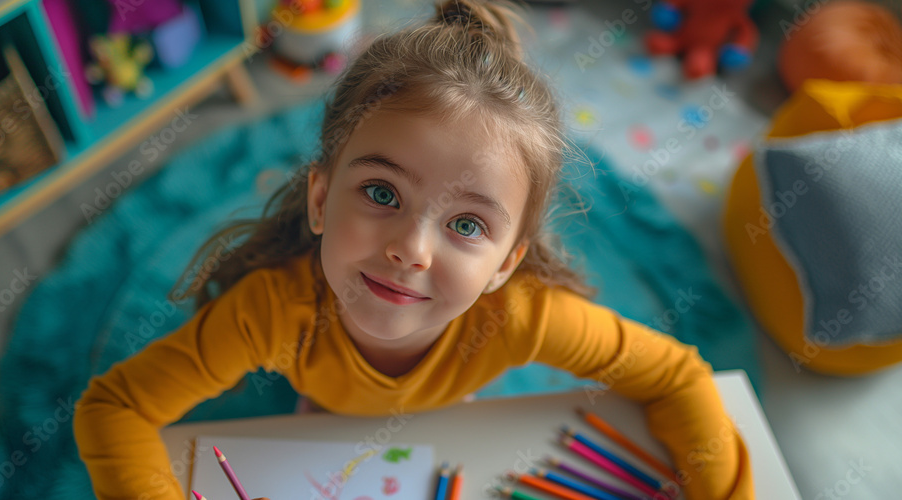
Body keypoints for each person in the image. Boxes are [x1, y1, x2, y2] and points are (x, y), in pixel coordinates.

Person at [73, 0, 753, 498]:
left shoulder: (521, 317)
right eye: (382, 193)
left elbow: (677, 377)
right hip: (319, 419)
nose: (411, 250)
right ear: (319, 200)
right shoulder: (270, 314)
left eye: (467, 226)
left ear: (505, 266)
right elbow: (115, 409)